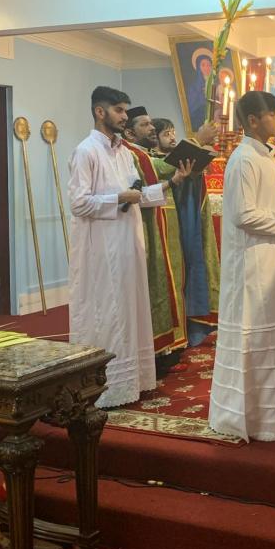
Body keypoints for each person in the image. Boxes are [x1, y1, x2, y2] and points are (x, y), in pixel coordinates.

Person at [208, 91, 275, 442]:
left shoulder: (266, 157)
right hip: (249, 265)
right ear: (252, 120)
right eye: (272, 114)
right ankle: (244, 417)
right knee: (251, 335)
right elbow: (242, 214)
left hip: (268, 259)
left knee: (269, 334)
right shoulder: (243, 159)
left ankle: (270, 412)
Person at [68, 87, 163, 408]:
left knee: (130, 309)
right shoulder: (86, 151)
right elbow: (79, 203)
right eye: (119, 110)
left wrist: (173, 182)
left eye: (125, 110)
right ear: (100, 112)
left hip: (127, 245)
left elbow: (137, 195)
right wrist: (119, 198)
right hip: (100, 248)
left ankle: (133, 379)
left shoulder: (124, 152)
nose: (125, 116)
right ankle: (102, 386)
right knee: (106, 312)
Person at [122, 106, 192, 377]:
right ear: (129, 132)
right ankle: (155, 352)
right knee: (155, 285)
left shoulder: (140, 153)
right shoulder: (132, 154)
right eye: (145, 125)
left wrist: (175, 180)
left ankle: (167, 348)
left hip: (158, 224)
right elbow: (159, 170)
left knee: (168, 281)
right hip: (141, 229)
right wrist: (198, 142)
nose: (152, 128)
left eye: (152, 124)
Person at [152, 117, 221, 346]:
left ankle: (192, 326)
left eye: (173, 132)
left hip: (182, 221)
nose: (172, 137)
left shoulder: (169, 159)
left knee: (190, 269)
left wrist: (196, 171)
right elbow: (163, 168)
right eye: (166, 134)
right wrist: (197, 140)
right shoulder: (148, 159)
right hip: (163, 224)